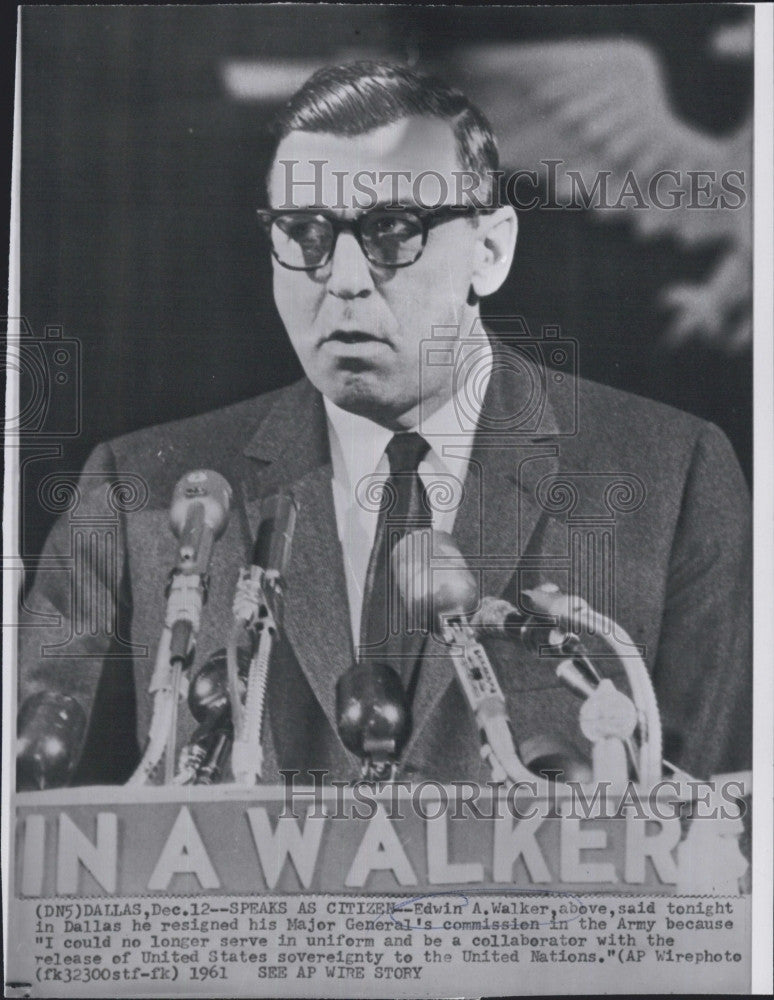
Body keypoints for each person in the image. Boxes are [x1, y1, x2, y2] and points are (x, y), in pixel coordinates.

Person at [17, 61, 751, 787]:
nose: (342, 276)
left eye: (392, 229)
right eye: (304, 231)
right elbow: (26, 820)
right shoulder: (141, 494)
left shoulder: (671, 481)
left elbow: (725, 849)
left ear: (490, 250)